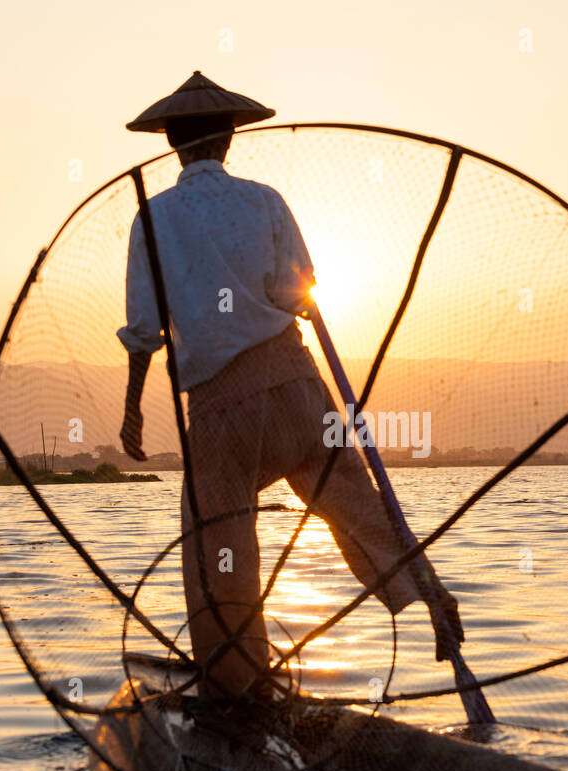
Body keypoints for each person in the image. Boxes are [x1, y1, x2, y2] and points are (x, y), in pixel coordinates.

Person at [117, 72, 462, 702]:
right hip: (300, 388)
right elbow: (298, 289)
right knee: (359, 504)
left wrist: (133, 411)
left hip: (224, 409)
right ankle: (428, 593)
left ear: (172, 143)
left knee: (213, 538)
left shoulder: (153, 217)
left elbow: (145, 328)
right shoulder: (266, 199)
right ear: (227, 140)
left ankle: (234, 681)